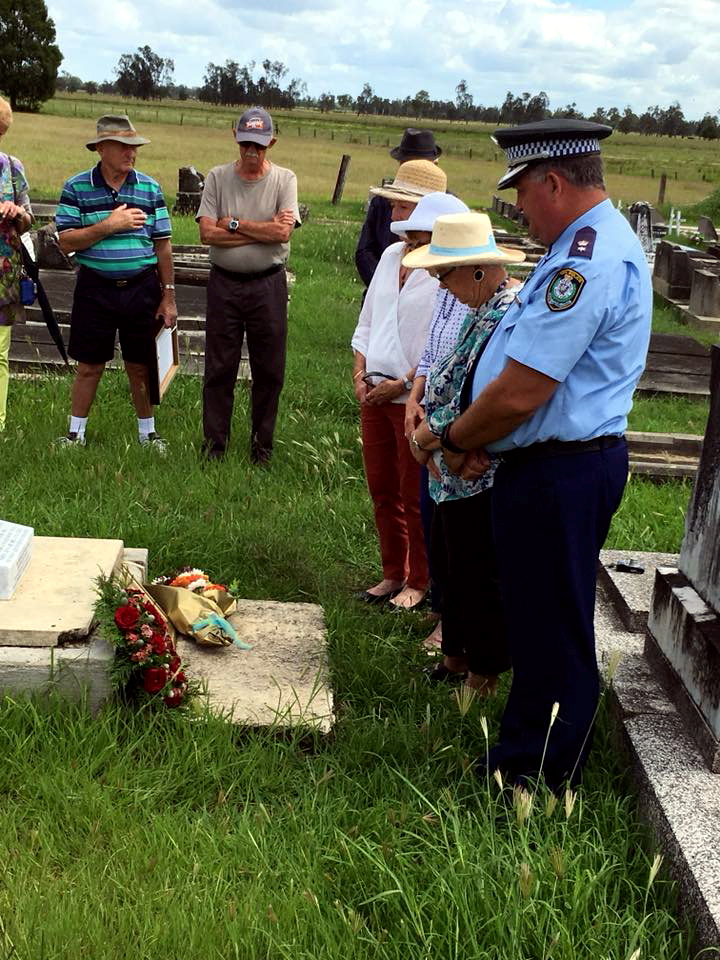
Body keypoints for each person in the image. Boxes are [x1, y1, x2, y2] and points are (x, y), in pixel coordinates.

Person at [414, 120, 652, 789]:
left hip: (562, 471)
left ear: (552, 180)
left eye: (521, 189)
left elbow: (520, 392)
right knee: (538, 616)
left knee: (551, 629)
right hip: (548, 468)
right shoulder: (578, 246)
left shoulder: (586, 260)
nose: (516, 204)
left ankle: (537, 781)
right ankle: (524, 756)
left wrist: (457, 439)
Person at [404, 213, 525, 691]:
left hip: (475, 466)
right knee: (450, 568)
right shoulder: (481, 309)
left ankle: (483, 672)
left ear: (476, 269)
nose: (441, 286)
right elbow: (447, 379)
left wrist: (425, 438)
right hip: (448, 468)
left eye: (443, 274)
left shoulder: (505, 313)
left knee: (477, 574)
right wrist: (429, 443)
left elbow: (477, 394)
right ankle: (454, 657)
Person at [351, 161, 447, 611]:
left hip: (411, 396)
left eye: (400, 202)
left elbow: (438, 342)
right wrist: (359, 371)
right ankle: (392, 572)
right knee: (382, 487)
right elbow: (368, 321)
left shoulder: (442, 266)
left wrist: (403, 384)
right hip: (374, 390)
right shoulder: (391, 256)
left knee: (413, 493)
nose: (390, 208)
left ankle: (419, 578)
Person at [55, 114, 177, 450]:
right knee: (89, 365)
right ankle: (75, 435)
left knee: (140, 365)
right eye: (124, 147)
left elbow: (163, 246)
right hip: (95, 288)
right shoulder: (77, 187)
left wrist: (168, 296)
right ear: (102, 148)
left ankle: (147, 434)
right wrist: (110, 225)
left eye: (134, 147)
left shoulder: (150, 188)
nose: (131, 153)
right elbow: (65, 241)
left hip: (141, 287)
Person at [197, 106, 300, 465]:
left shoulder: (285, 180)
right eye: (245, 145)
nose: (251, 152)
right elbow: (207, 233)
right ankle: (214, 446)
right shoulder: (217, 177)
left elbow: (283, 232)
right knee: (219, 367)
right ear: (235, 139)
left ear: (271, 142)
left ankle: (262, 447)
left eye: (258, 145)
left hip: (267, 284)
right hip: (224, 284)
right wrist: (260, 230)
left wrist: (234, 224)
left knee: (269, 369)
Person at [389, 192, 470, 646]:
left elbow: (468, 363)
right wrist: (415, 395)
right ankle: (441, 605)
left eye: (424, 240)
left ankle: (451, 623)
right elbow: (430, 354)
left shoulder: (478, 295)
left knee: (452, 525)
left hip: (450, 425)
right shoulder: (445, 286)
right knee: (431, 517)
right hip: (429, 412)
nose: (419, 250)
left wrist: (435, 421)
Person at [355, 129, 442, 291]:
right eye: (407, 164)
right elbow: (365, 250)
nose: (395, 215)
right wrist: (385, 282)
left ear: (435, 165)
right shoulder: (381, 203)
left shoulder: (447, 208)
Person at [0, 97, 33, 433]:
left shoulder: (12, 167)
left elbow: (28, 219)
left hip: (4, 274)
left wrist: (16, 213)